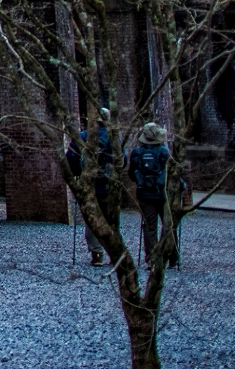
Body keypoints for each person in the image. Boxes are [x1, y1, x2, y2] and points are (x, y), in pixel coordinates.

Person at [126, 121, 180, 268]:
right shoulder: (165, 152)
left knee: (149, 227)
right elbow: (174, 173)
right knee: (168, 225)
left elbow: (131, 173)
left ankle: (152, 258)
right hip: (162, 194)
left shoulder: (137, 152)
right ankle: (172, 257)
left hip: (144, 194)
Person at [66, 109, 116, 266]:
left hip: (89, 184)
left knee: (91, 218)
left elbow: (71, 157)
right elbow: (123, 159)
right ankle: (115, 253)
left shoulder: (82, 136)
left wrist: (76, 174)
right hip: (109, 183)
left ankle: (97, 253)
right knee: (110, 218)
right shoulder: (113, 138)